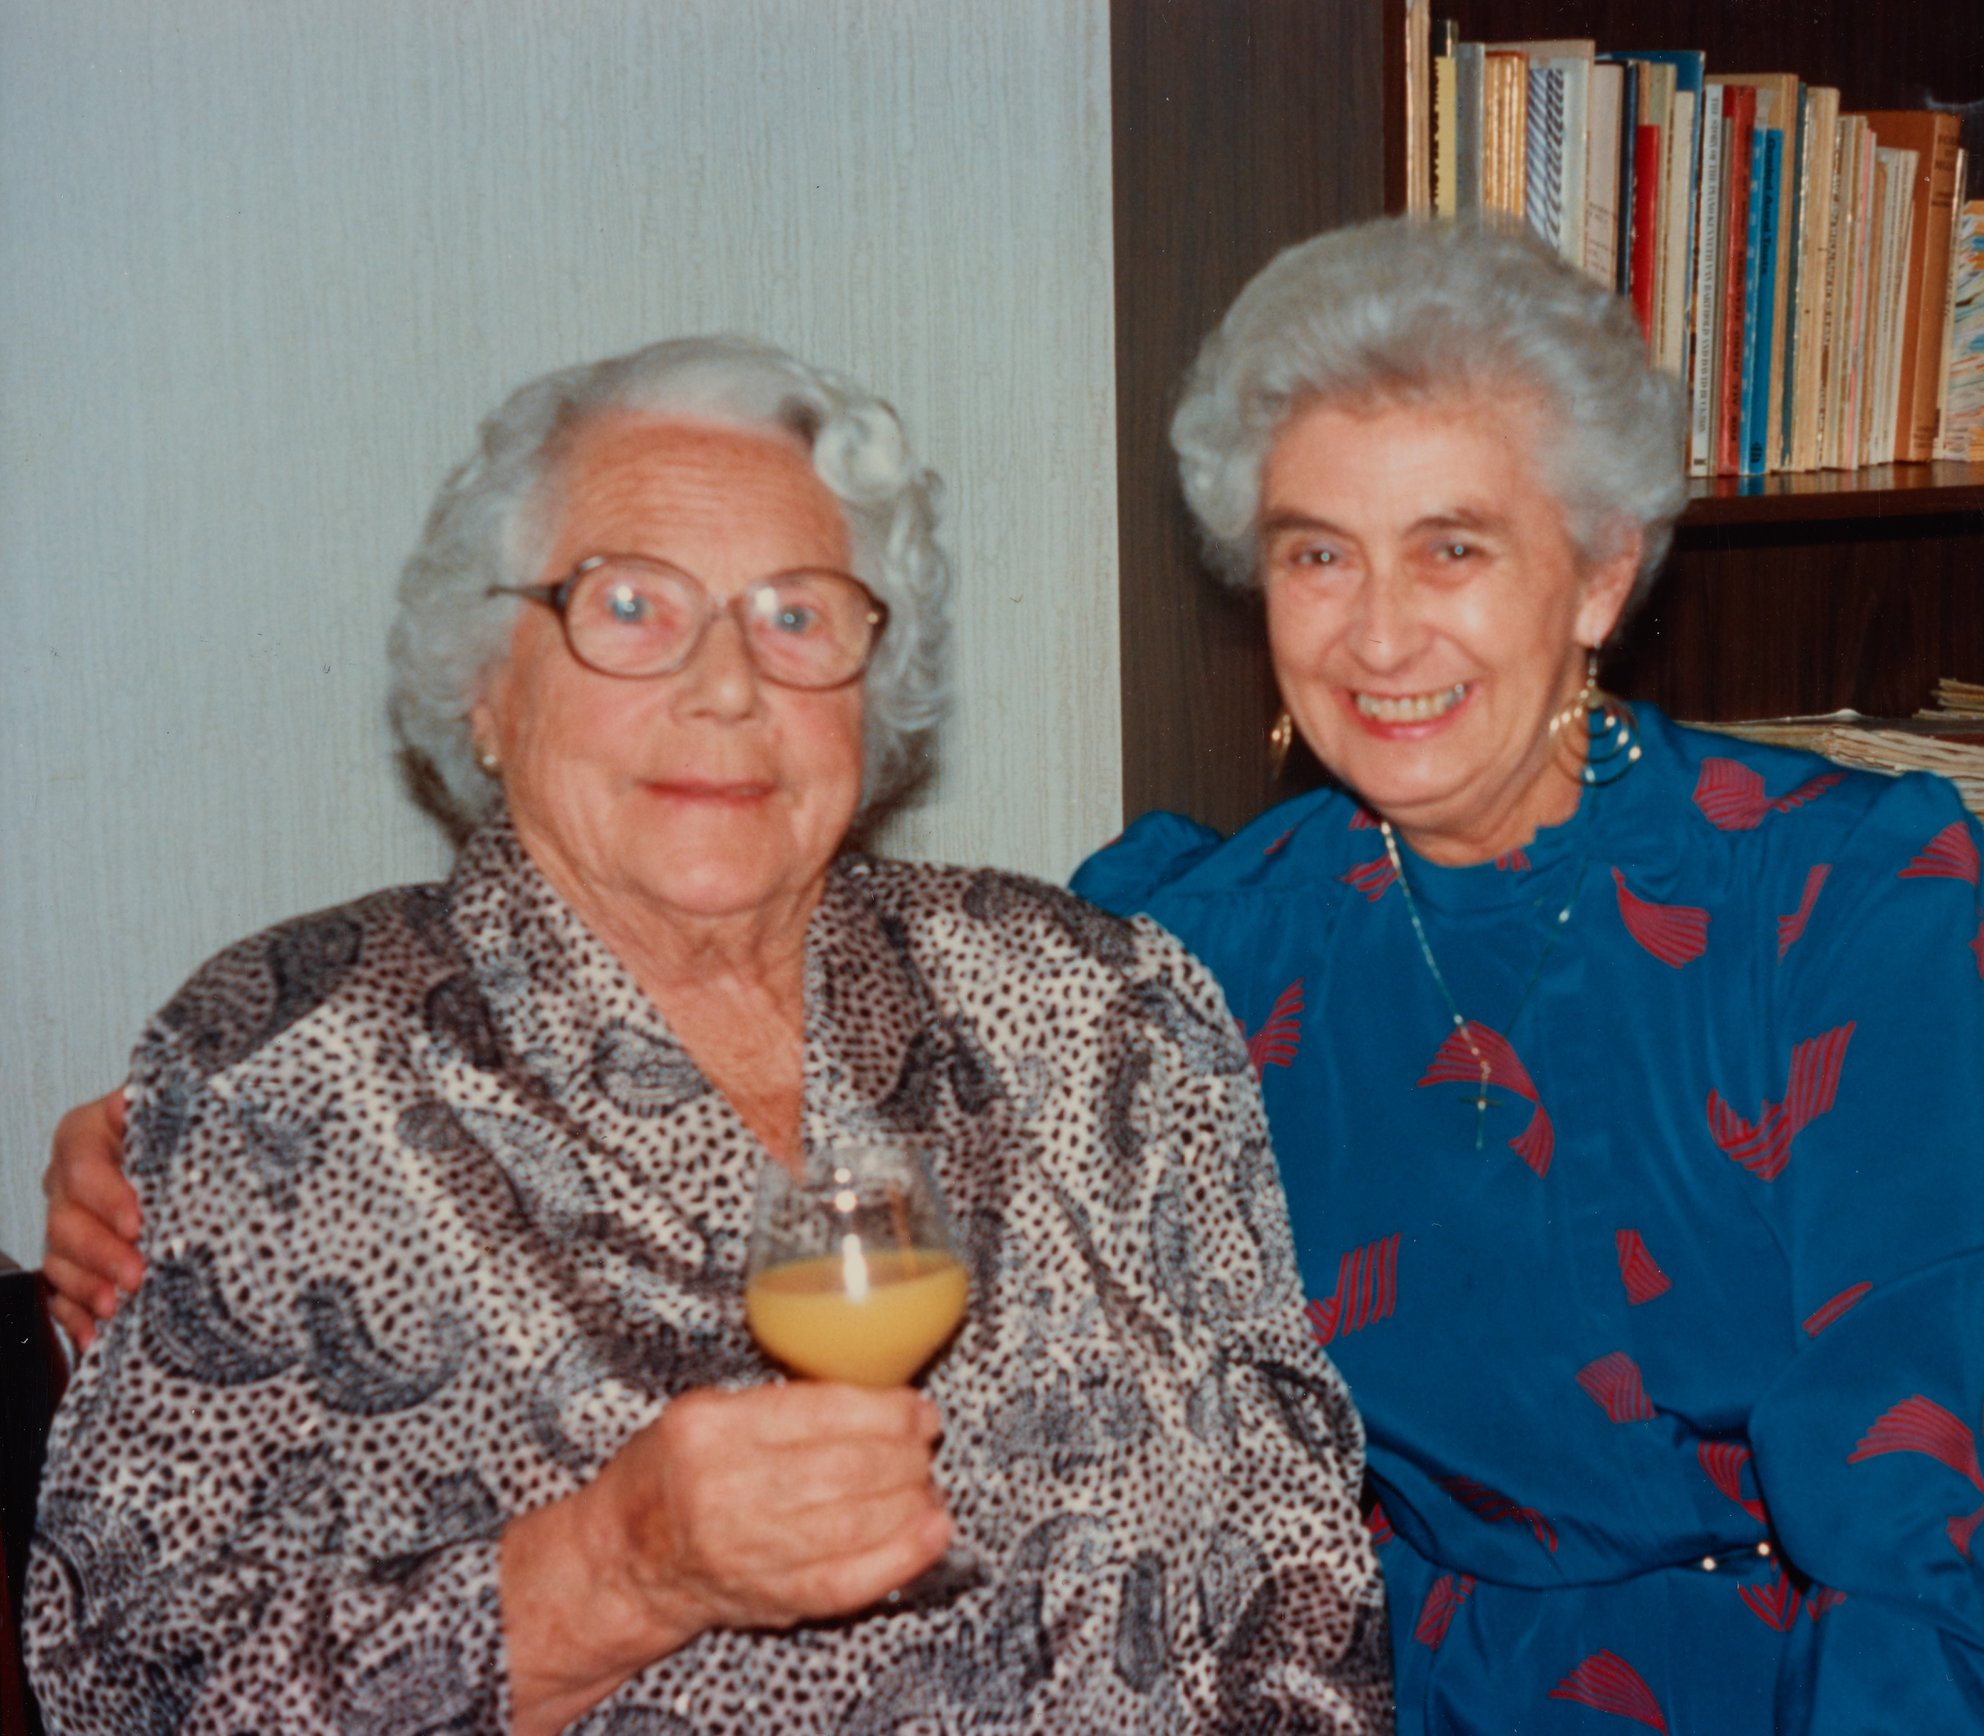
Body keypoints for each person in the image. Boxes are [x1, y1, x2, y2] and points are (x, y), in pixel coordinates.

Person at [25, 335, 1390, 1734]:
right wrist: (613, 1572)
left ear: (872, 689)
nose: (729, 686)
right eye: (629, 606)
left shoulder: (1104, 1002)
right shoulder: (289, 1066)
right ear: (488, 686)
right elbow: (132, 1678)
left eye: (797, 615)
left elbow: (1300, 1559)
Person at [1067, 219, 1984, 1732]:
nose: (1378, 634)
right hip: (1376, 1686)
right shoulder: (1208, 949)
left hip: (1787, 1680)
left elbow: (1914, 1492)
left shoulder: (1837, 897)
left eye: (1452, 547)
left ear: (1599, 576)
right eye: (1318, 554)